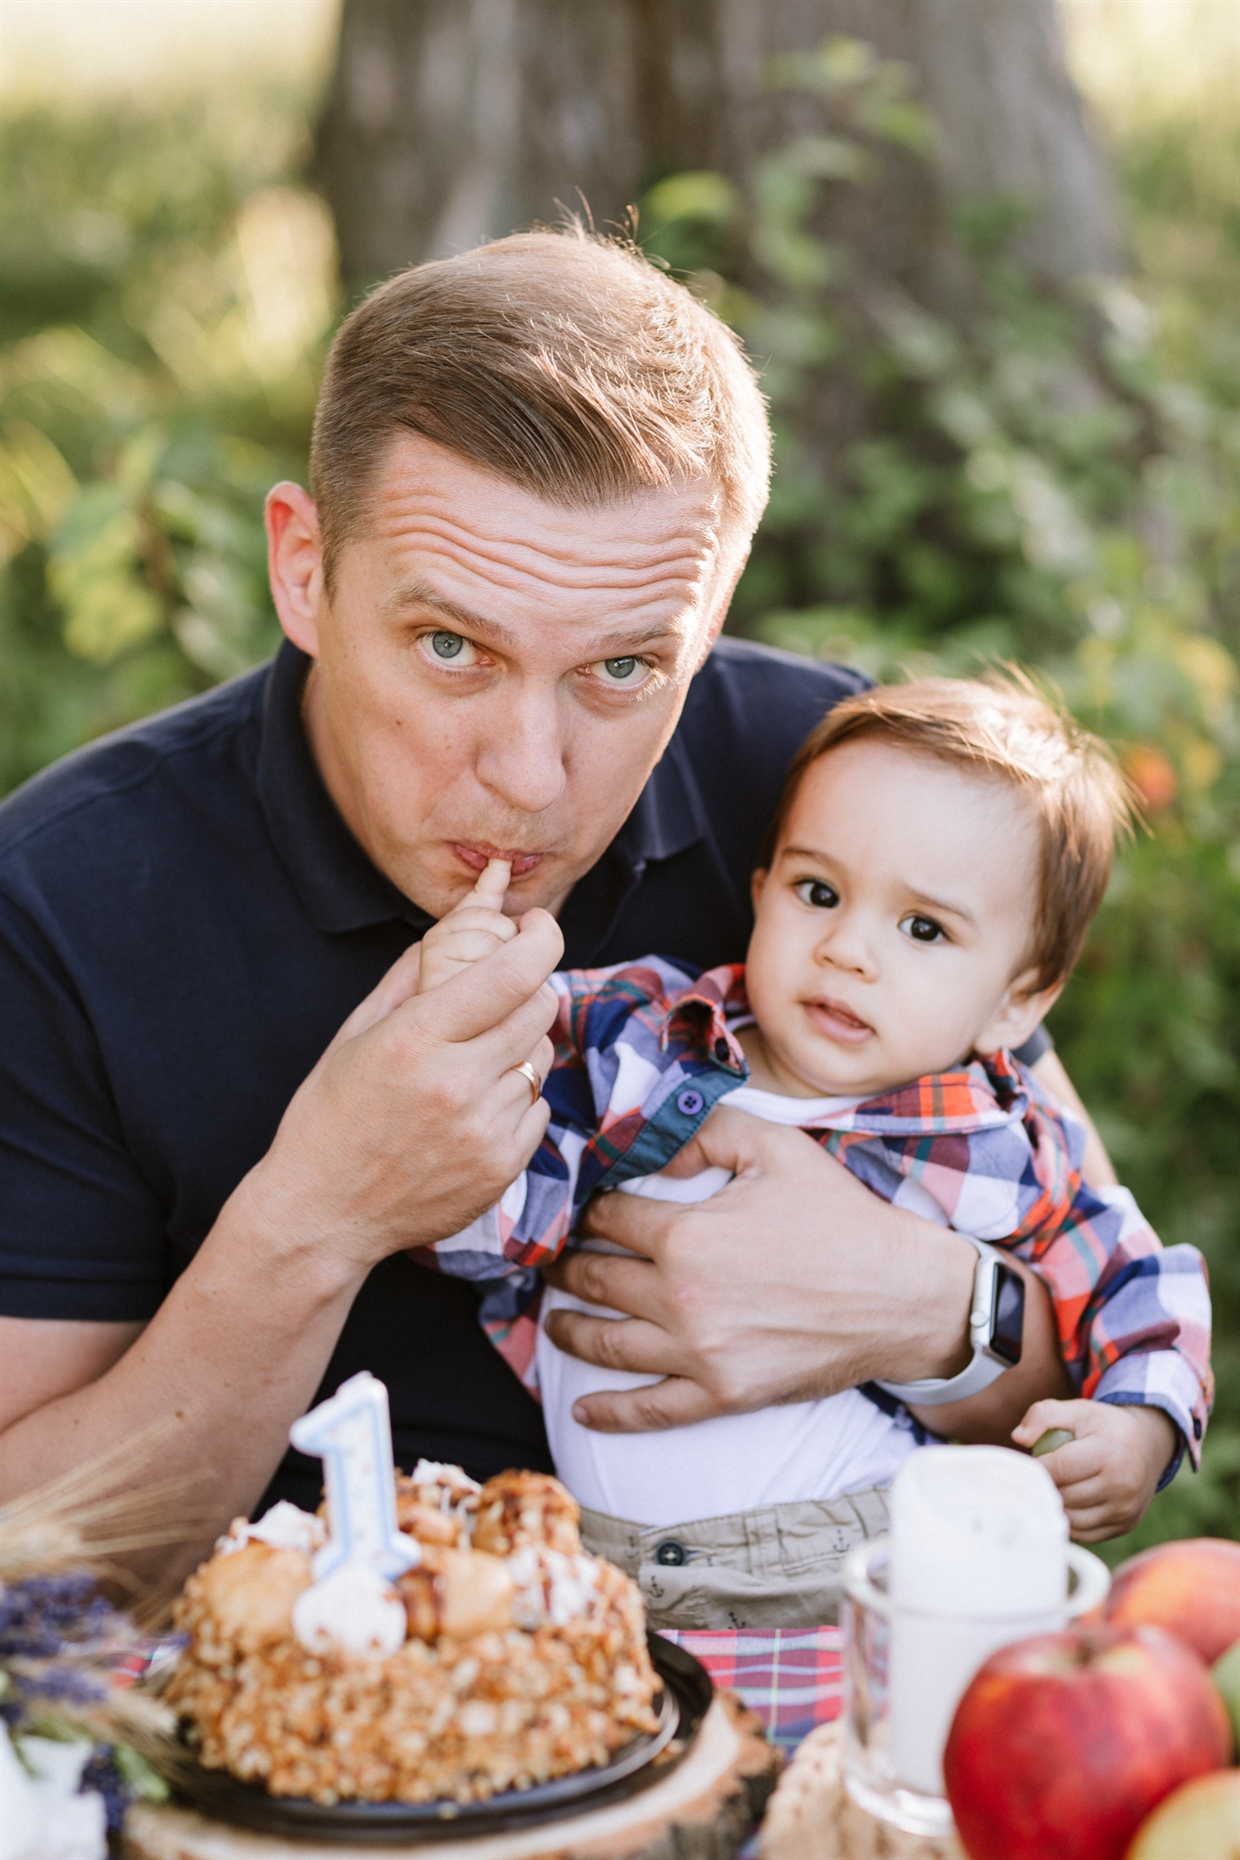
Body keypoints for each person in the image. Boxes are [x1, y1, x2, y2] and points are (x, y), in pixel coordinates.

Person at [1, 230, 1102, 1586]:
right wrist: (321, 1213)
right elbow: (22, 1558)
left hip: (820, 1656)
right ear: (304, 568)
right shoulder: (63, 906)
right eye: (451, 646)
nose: (528, 776)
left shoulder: (826, 788)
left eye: (624, 667)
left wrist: (932, 1312)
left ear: (708, 620)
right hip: (309, 1710)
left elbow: (1088, 1343)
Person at [407, 676, 1212, 1625]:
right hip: (600, 1571)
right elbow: (479, 1227)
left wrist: (1140, 1426)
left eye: (923, 928)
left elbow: (1137, 1277)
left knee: (855, 1763)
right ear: (762, 894)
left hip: (860, 1566)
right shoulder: (644, 1041)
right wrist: (461, 1021)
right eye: (818, 891)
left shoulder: (992, 1144)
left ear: (1017, 1002)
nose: (848, 949)